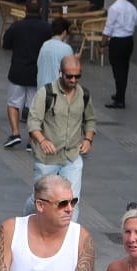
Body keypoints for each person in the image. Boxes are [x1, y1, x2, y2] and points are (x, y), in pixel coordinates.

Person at [24, 55, 97, 207]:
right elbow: (33, 121)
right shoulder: (46, 92)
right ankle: (27, 225)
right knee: (40, 200)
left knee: (72, 200)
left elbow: (90, 120)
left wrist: (88, 139)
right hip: (47, 159)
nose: (73, 80)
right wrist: (42, 140)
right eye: (69, 76)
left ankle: (68, 231)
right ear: (60, 73)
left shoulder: (84, 94)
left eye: (77, 76)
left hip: (72, 156)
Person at [1, 8, 54, 149]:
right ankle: (31, 140)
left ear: (25, 10)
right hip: (37, 73)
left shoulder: (17, 26)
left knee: (13, 104)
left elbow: (5, 44)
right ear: (40, 10)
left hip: (18, 71)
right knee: (34, 107)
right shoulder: (47, 28)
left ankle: (15, 133)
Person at [103, 0, 137, 109]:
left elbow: (108, 27)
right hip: (128, 40)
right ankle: (119, 94)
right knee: (124, 68)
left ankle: (120, 99)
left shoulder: (114, 8)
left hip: (117, 41)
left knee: (117, 70)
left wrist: (102, 44)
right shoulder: (132, 8)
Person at [35, 16, 73, 92]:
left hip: (42, 88)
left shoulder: (45, 45)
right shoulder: (66, 48)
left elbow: (39, 64)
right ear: (64, 32)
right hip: (57, 90)